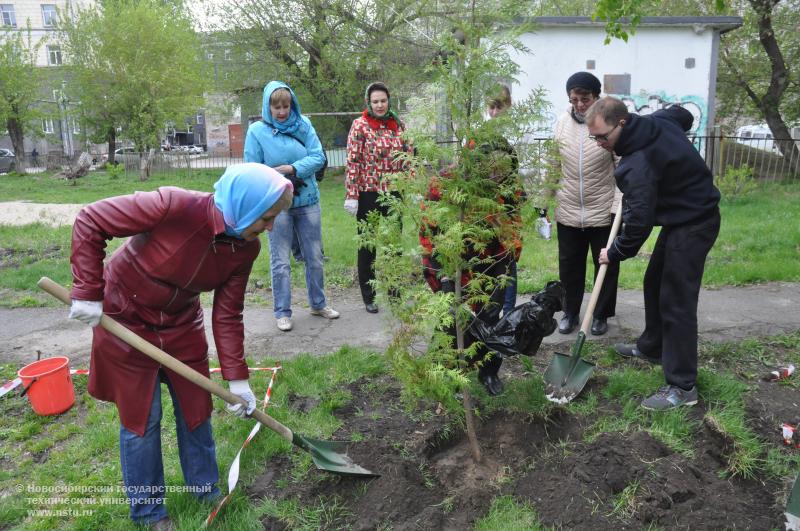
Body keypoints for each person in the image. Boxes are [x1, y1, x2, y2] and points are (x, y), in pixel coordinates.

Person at [67, 163, 294, 528]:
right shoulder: (173, 205)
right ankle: (149, 512)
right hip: (125, 317)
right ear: (245, 205)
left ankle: (205, 489)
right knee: (143, 418)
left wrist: (238, 379)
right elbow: (92, 219)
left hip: (180, 324)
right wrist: (87, 291)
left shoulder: (245, 250)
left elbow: (227, 315)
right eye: (267, 217)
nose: (270, 227)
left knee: (196, 408)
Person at [589, 97, 721, 411]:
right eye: (592, 137)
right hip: (681, 217)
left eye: (602, 137)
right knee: (654, 281)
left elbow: (638, 225)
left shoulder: (637, 165)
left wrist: (615, 252)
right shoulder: (658, 119)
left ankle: (682, 386)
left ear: (621, 123)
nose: (598, 143)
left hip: (695, 221)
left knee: (677, 301)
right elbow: (683, 114)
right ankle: (652, 347)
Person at [420, 128, 524, 396]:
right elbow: (430, 229)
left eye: (503, 167)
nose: (497, 173)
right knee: (453, 320)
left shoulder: (509, 187)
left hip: (492, 262)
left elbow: (514, 230)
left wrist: (505, 269)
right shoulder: (446, 182)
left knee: (490, 318)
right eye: (492, 166)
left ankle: (488, 371)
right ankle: (449, 376)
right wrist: (444, 272)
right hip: (451, 262)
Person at [245, 81, 339, 331]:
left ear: (292, 104)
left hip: (307, 200)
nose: (282, 111)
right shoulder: (256, 131)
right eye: (276, 106)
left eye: (286, 105)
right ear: (268, 106)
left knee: (315, 257)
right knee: (280, 261)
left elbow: (318, 157)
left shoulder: (304, 124)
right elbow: (252, 168)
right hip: (277, 205)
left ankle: (318, 304)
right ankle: (282, 312)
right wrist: (275, 178)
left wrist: (293, 168)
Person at [552, 72, 621, 336]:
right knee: (569, 265)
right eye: (574, 99)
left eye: (585, 99)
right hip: (568, 207)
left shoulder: (608, 122)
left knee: (605, 263)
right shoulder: (560, 123)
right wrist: (544, 201)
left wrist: (617, 205)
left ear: (596, 97)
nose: (580, 104)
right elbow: (551, 164)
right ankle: (570, 312)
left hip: (603, 208)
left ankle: (600, 314)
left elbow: (621, 165)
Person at [344, 81, 413, 313]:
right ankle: (369, 297)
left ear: (389, 101)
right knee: (368, 246)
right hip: (367, 194)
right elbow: (353, 161)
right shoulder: (360, 126)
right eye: (376, 101)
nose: (380, 105)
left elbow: (409, 156)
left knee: (394, 246)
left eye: (383, 100)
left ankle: (395, 294)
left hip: (394, 193)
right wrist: (352, 194)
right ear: (369, 102)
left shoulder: (399, 125)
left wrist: (410, 186)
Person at [485, 85, 520, 316]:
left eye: (500, 106)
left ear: (509, 106)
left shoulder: (518, 132)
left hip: (509, 202)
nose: (496, 112)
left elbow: (519, 170)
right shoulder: (482, 134)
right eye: (492, 107)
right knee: (489, 257)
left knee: (509, 258)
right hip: (486, 204)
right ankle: (489, 311)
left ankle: (508, 314)